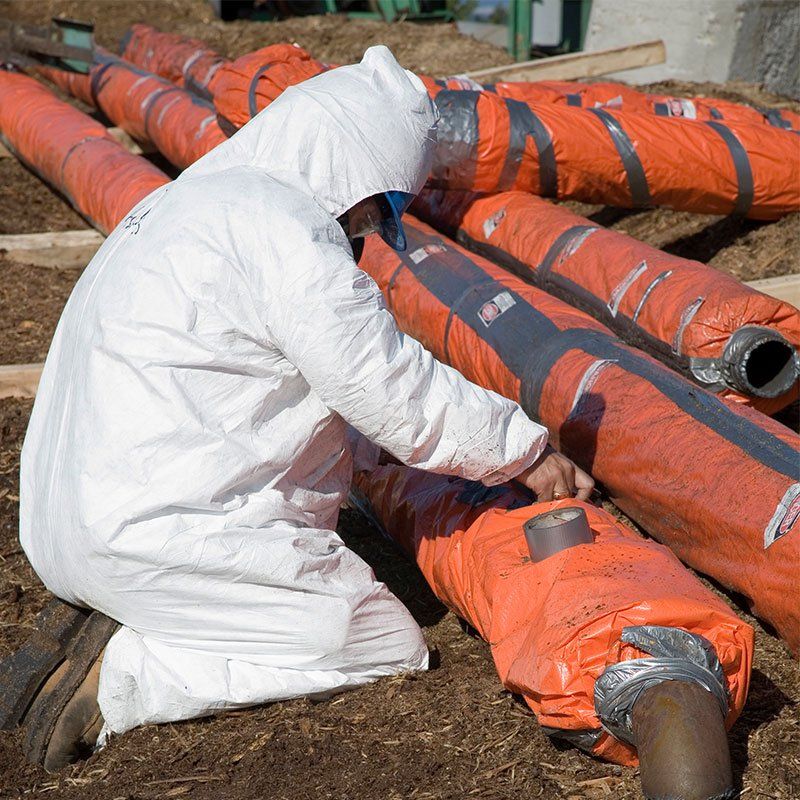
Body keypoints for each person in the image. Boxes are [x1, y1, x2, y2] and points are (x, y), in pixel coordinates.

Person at [12, 46, 592, 769]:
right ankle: (123, 678)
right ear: (349, 164)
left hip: (63, 523)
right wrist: (526, 450)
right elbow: (393, 389)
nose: (370, 229)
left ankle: (126, 612)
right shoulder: (282, 231)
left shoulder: (189, 199)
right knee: (375, 640)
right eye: (380, 206)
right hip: (151, 536)